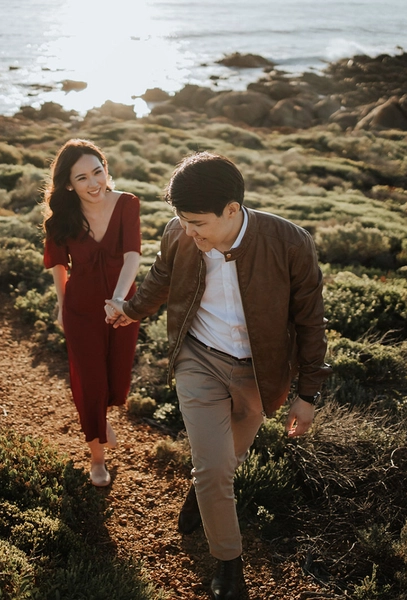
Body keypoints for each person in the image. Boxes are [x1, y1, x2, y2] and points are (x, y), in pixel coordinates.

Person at [106, 152, 331, 599]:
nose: (189, 232)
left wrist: (307, 395)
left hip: (259, 374)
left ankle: (202, 495)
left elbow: (311, 322)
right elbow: (161, 278)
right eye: (183, 222)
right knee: (214, 469)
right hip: (198, 359)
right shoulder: (180, 232)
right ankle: (229, 567)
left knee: (225, 464)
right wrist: (130, 311)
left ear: (232, 210)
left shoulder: (289, 242)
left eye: (198, 224)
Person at [43, 138, 141, 487]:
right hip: (81, 308)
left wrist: (119, 301)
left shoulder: (127, 204)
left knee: (116, 378)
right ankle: (97, 459)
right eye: (82, 177)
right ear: (69, 184)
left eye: (97, 172)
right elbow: (58, 266)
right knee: (90, 381)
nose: (93, 183)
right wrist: (61, 305)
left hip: (123, 306)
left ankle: (100, 414)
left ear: (106, 169)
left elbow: (133, 255)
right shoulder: (62, 218)